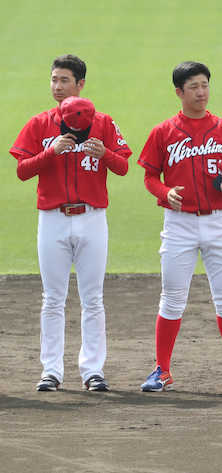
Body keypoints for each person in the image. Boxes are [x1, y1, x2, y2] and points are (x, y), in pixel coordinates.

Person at [137, 61, 222, 392]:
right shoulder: (163, 132)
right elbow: (149, 176)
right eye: (194, 86)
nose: (201, 92)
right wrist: (164, 192)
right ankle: (161, 370)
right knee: (172, 298)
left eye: (205, 85)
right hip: (179, 225)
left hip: (220, 222)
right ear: (179, 92)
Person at [10, 54, 131, 392]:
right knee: (52, 298)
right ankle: (51, 371)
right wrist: (50, 152)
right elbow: (22, 171)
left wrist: (104, 154)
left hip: (92, 219)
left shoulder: (103, 123)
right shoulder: (40, 124)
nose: (57, 86)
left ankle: (93, 371)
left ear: (81, 84)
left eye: (64, 80)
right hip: (53, 219)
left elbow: (123, 166)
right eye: (54, 80)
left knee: (93, 298)